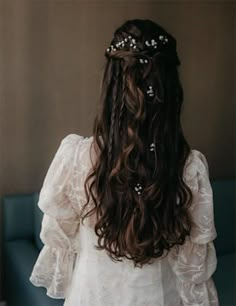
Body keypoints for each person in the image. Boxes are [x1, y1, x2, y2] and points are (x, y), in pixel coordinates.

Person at [29, 19, 219, 306]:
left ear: (111, 86)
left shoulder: (76, 158)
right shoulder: (189, 167)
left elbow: (60, 238)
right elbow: (192, 267)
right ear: (170, 90)